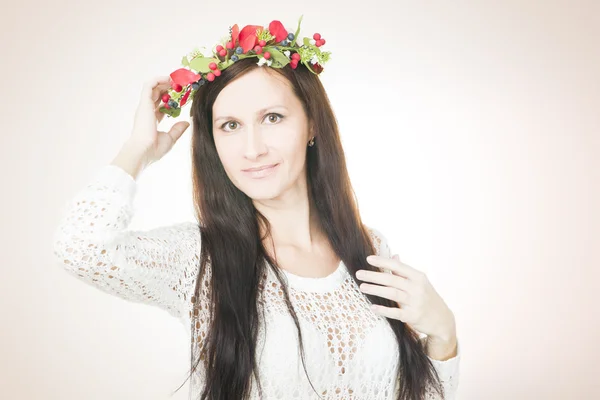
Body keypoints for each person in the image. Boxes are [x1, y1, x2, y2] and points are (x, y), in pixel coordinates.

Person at [52, 17, 461, 400]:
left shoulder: (369, 246)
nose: (253, 148)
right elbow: (79, 247)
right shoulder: (198, 257)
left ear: (312, 125)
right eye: (230, 125)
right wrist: (137, 150)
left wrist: (443, 336)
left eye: (272, 117)